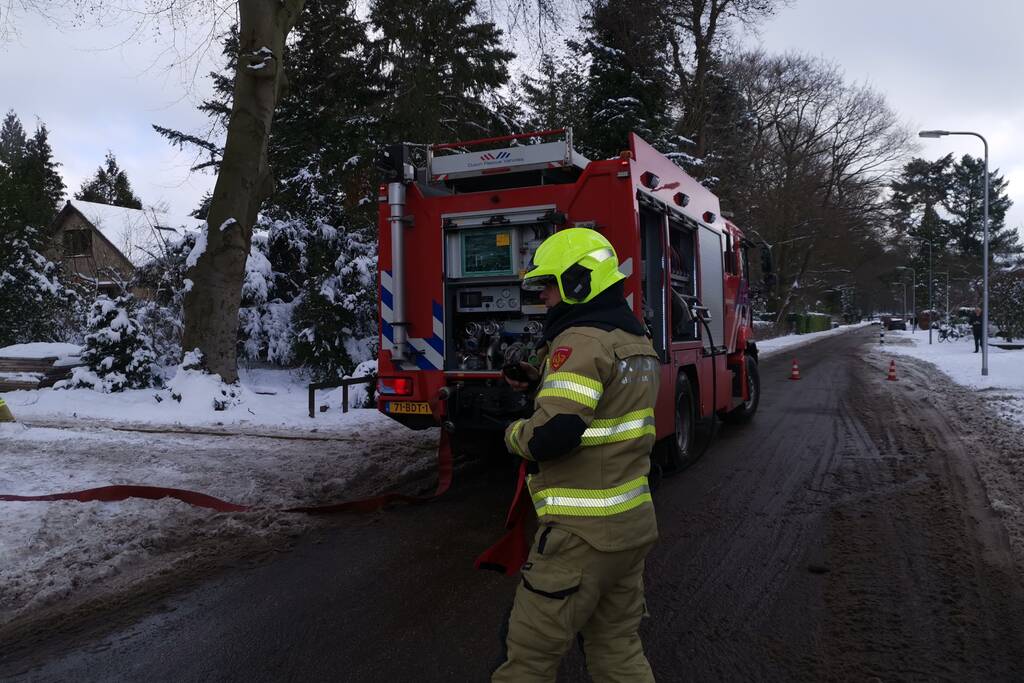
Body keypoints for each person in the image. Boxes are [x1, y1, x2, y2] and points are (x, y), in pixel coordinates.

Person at [493, 228, 659, 682]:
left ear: (579, 281)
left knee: (526, 659)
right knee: (618, 650)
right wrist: (537, 386)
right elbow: (603, 409)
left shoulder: (581, 342)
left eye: (548, 285)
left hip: (580, 540)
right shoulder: (636, 342)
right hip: (630, 529)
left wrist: (510, 434)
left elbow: (554, 436)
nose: (543, 297)